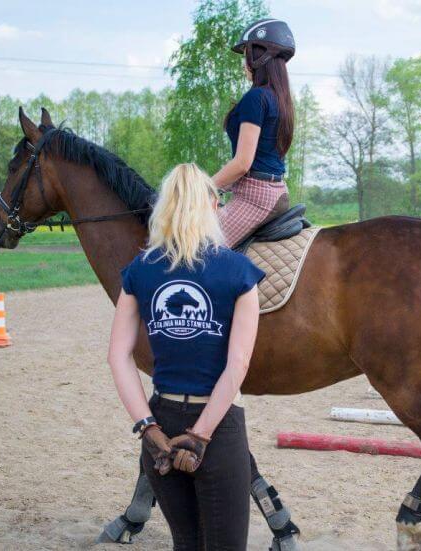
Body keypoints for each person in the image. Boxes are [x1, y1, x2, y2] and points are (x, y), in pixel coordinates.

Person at [108, 163, 265, 550]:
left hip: (161, 423)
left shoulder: (139, 271)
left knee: (186, 544)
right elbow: (238, 365)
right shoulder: (239, 271)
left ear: (165, 208)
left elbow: (117, 356)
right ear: (212, 206)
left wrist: (148, 427)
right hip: (218, 426)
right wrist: (199, 435)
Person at [212, 18, 296, 249]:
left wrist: (206, 187)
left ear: (260, 57)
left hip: (256, 197)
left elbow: (242, 163)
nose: (243, 64)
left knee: (202, 250)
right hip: (272, 189)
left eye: (246, 55)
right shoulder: (280, 99)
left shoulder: (256, 97)